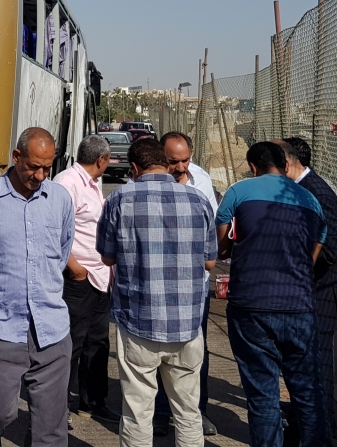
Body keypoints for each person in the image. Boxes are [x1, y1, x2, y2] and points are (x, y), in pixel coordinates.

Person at [0, 127, 75, 447]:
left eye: (47, 168)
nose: (39, 175)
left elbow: (62, 251)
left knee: (51, 429)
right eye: (33, 166)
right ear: (16, 156)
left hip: (51, 328)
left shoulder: (60, 199)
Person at [97, 138, 216, 447]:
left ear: (134, 168)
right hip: (187, 324)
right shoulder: (199, 201)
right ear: (166, 162)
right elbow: (211, 261)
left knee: (137, 411)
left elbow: (107, 257)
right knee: (188, 412)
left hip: (138, 320)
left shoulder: (120, 199)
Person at [216, 142, 330, 447]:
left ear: (253, 167)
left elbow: (222, 246)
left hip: (250, 306)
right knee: (308, 392)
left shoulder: (239, 192)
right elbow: (313, 253)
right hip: (299, 308)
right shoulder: (310, 200)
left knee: (262, 394)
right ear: (285, 165)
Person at [279, 137, 337, 442]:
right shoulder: (299, 190)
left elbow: (330, 249)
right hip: (304, 298)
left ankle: (321, 436)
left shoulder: (317, 193)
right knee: (302, 375)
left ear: (288, 162)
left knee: (317, 375)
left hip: (319, 298)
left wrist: (296, 266)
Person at [52, 135, 120, 425]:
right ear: (101, 160)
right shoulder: (67, 183)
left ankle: (93, 400)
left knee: (98, 342)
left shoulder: (91, 183)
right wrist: (75, 268)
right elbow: (52, 230)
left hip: (101, 277)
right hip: (79, 278)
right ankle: (59, 407)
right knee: (72, 345)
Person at [154, 132, 218, 437]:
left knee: (196, 350)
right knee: (155, 349)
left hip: (194, 285)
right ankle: (160, 412)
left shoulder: (202, 182)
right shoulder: (147, 184)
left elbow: (211, 234)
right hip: (159, 281)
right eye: (173, 162)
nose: (180, 168)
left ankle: (196, 411)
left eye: (185, 160)